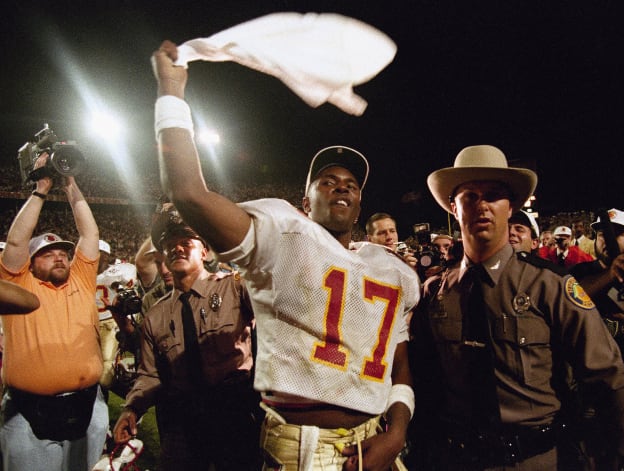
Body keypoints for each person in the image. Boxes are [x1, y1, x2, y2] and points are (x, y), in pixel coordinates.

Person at [150, 40, 419, 471]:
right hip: (304, 446)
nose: (342, 186)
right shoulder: (282, 235)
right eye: (328, 181)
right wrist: (171, 90)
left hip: (378, 439)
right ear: (306, 202)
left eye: (351, 183)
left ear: (361, 204)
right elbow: (188, 194)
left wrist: (398, 431)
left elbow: (399, 361)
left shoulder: (390, 268)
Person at [408, 144, 624, 470]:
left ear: (510, 207)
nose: (481, 205)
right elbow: (425, 383)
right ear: (454, 209)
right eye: (469, 196)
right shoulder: (435, 293)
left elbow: (607, 377)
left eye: (494, 195)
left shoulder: (548, 285)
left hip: (536, 459)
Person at [113, 212, 261, 470]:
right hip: (184, 422)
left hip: (235, 414)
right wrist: (132, 408)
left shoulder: (234, 288)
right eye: (170, 244)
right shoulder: (155, 315)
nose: (176, 247)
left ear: (204, 252)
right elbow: (151, 375)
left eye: (186, 241)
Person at [0, 154, 108, 471]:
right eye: (47, 255)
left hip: (88, 405)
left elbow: (90, 235)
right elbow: (17, 241)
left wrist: (70, 184)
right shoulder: (19, 286)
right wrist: (42, 188)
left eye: (63, 253)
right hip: (27, 411)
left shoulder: (81, 280)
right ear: (29, 264)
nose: (59, 258)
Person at [570, 208, 624, 380]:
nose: (608, 241)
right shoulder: (579, 272)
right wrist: (610, 274)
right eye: (602, 235)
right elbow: (572, 297)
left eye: (618, 234)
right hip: (591, 375)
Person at [95, 239, 139, 394]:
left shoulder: (118, 271)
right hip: (89, 325)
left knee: (105, 373)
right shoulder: (81, 273)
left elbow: (132, 293)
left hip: (110, 323)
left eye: (97, 252)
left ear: (106, 256)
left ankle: (131, 396)